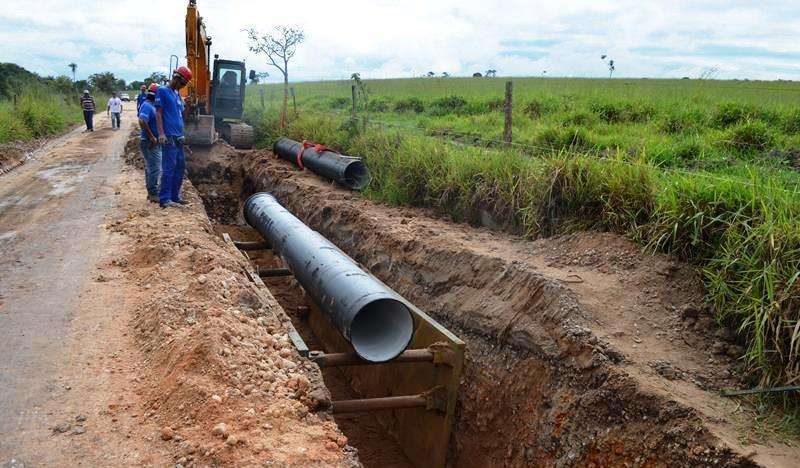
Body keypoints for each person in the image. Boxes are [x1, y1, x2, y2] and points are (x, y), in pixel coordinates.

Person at [155, 66, 193, 209]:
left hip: (178, 137)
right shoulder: (163, 91)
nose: (183, 86)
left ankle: (174, 196)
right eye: (183, 83)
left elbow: (182, 115)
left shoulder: (177, 94)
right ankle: (164, 199)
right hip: (169, 136)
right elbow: (159, 113)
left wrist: (188, 105)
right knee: (169, 167)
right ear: (177, 78)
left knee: (180, 167)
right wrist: (161, 133)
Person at [138, 84, 162, 203]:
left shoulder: (152, 106)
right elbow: (142, 121)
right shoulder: (147, 106)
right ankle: (153, 193)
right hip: (149, 142)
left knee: (151, 167)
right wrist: (152, 137)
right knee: (155, 168)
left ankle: (151, 191)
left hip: (152, 141)